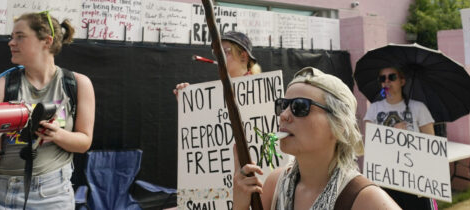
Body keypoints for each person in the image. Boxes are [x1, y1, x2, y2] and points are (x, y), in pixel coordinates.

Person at [0, 11, 96, 209]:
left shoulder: (77, 84)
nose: (11, 43)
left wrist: (57, 135)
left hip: (51, 197)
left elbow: (84, 142)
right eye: (11, 37)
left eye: (20, 37)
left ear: (46, 41)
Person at [233, 67, 400, 210]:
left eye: (300, 106)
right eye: (283, 105)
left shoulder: (363, 198)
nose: (284, 115)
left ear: (338, 125)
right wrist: (240, 205)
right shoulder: (274, 184)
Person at [364, 65, 435, 210]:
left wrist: (408, 139)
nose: (387, 82)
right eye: (382, 78)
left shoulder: (418, 108)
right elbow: (370, 142)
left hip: (414, 177)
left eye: (392, 77)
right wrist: (392, 133)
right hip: (385, 177)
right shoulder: (374, 109)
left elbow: (431, 143)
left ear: (402, 81)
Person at [173, 31, 262, 96]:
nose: (219, 57)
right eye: (217, 53)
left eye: (224, 52)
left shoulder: (259, 89)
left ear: (243, 56)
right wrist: (187, 102)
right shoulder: (219, 90)